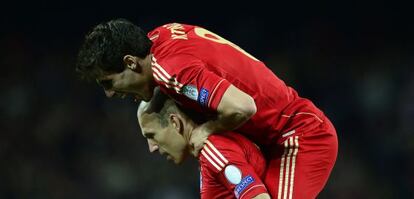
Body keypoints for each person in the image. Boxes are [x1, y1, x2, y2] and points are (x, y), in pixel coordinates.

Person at [76, 18, 338, 198]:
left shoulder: (169, 71)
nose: (110, 93)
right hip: (269, 140)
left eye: (109, 82)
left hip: (297, 135)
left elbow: (243, 107)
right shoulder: (160, 36)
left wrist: (208, 128)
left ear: (131, 63)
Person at [137, 90, 271, 199]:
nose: (151, 148)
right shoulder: (210, 151)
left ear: (175, 123)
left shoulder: (215, 149)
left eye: (151, 135)